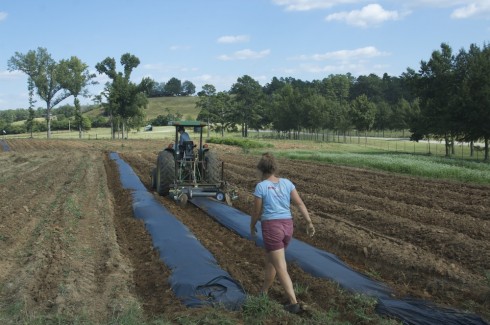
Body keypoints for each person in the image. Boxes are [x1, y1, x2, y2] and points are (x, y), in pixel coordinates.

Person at [250, 153, 315, 314]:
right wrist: (309, 222)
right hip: (287, 226)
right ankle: (264, 292)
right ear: (274, 168)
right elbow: (299, 203)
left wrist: (252, 225)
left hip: (272, 227)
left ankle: (293, 302)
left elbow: (257, 210)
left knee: (280, 266)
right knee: (272, 261)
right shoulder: (287, 183)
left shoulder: (261, 186)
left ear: (261, 170)